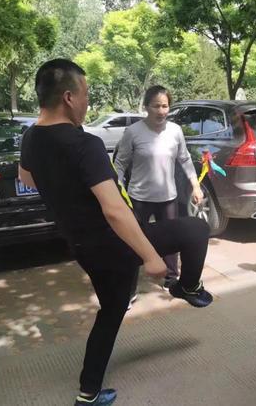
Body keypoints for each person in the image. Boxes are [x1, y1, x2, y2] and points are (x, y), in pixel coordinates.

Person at [19, 59, 213, 406]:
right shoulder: (85, 144)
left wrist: (65, 190)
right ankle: (188, 285)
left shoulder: (32, 137)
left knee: (112, 310)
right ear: (68, 97)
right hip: (113, 242)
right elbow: (114, 209)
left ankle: (88, 393)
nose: (87, 102)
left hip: (82, 246)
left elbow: (27, 178)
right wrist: (150, 257)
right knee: (196, 229)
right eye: (85, 94)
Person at [113, 85, 204, 291]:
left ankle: (171, 277)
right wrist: (118, 190)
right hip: (139, 198)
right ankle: (129, 287)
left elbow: (185, 159)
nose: (161, 111)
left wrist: (196, 186)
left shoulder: (175, 131)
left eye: (165, 106)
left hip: (168, 198)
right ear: (146, 107)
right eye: (156, 106)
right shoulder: (133, 132)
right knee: (133, 242)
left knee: (173, 241)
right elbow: (120, 163)